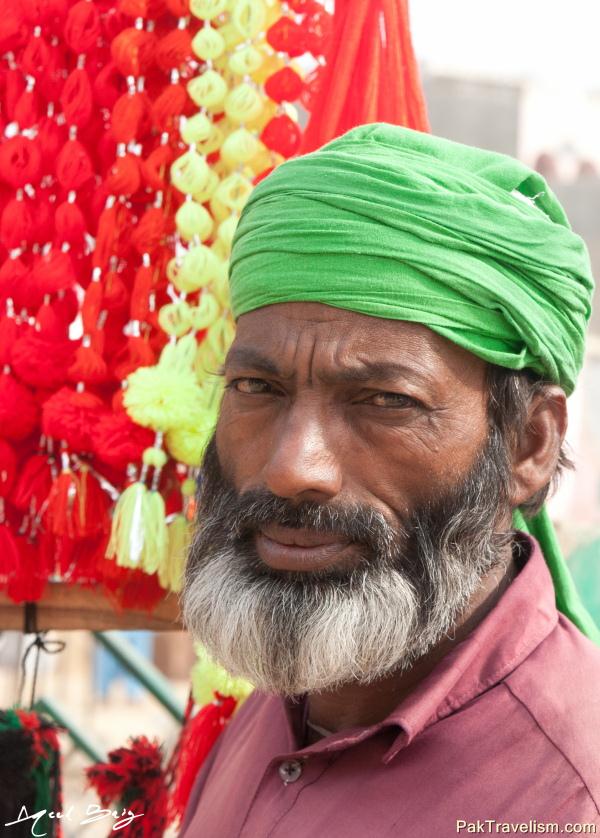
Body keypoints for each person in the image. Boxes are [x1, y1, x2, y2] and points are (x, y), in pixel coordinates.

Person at [180, 124, 600, 837]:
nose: (292, 469)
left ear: (529, 445)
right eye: (258, 386)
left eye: (385, 402)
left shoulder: (566, 799)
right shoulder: (291, 698)